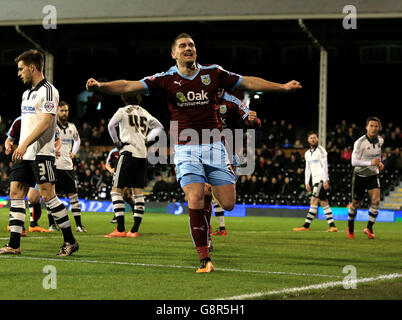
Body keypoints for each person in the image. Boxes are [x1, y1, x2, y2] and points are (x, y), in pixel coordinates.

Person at [86, 32, 301, 272]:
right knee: (194, 197)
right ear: (173, 53)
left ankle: (209, 198)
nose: (188, 48)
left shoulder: (214, 73)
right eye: (183, 46)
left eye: (191, 45)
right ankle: (204, 257)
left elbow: (248, 81)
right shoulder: (165, 78)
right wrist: (102, 86)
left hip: (214, 145)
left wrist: (282, 87)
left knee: (228, 203)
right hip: (186, 148)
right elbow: (128, 85)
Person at [0, 49, 78, 256]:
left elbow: (46, 122)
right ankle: (14, 244)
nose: (19, 73)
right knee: (15, 193)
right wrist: (13, 141)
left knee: (47, 196)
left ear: (32, 67)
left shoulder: (49, 91)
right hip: (24, 153)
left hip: (41, 153)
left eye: (21, 68)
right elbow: (26, 122)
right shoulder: (27, 94)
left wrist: (24, 144)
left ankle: (70, 241)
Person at [105, 92, 163, 238]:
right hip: (142, 155)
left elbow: (111, 125)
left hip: (128, 152)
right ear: (138, 99)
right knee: (138, 194)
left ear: (124, 98)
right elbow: (159, 127)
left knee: (115, 191)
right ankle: (134, 230)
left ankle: (120, 229)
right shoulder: (145, 112)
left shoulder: (122, 111)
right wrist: (147, 139)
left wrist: (117, 142)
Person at [4, 116, 52, 234]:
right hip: (24, 159)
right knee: (16, 193)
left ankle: (33, 224)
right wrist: (8, 146)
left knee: (35, 197)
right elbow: (9, 139)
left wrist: (55, 149)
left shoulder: (47, 120)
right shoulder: (20, 120)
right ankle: (19, 227)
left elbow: (57, 138)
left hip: (41, 160)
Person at [347, 116, 384, 239]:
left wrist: (379, 163)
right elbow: (353, 162)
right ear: (366, 127)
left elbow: (378, 155)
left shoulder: (380, 140)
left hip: (373, 175)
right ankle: (350, 224)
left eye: (376, 126)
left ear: (379, 128)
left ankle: (369, 228)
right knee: (356, 204)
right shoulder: (359, 142)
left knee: (376, 201)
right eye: (371, 126)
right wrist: (370, 163)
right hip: (360, 175)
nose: (374, 128)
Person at [293, 131, 337, 232]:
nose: (313, 139)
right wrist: (307, 182)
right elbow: (307, 168)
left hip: (321, 179)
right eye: (311, 138)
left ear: (317, 139)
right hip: (315, 181)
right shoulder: (307, 154)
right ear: (308, 140)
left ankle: (306, 225)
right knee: (324, 202)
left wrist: (325, 180)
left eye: (314, 138)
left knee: (313, 201)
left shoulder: (321, 151)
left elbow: (325, 166)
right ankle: (332, 226)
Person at [55, 101, 87, 232]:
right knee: (53, 196)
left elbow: (78, 140)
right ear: (57, 111)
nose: (64, 113)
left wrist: (73, 153)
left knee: (73, 196)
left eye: (66, 110)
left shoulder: (72, 127)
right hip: (54, 166)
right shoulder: (51, 126)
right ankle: (52, 225)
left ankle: (79, 225)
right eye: (62, 110)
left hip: (68, 166)